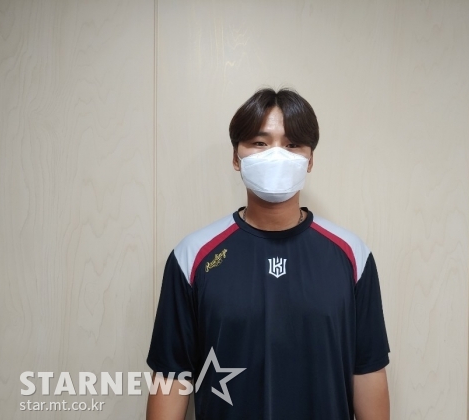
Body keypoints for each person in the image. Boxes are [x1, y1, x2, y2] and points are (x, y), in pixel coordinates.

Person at [146, 88, 390, 420]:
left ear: (310, 160)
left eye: (292, 144)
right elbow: (172, 375)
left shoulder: (353, 256)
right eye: (260, 143)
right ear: (236, 157)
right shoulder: (191, 257)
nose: (276, 155)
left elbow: (368, 369)